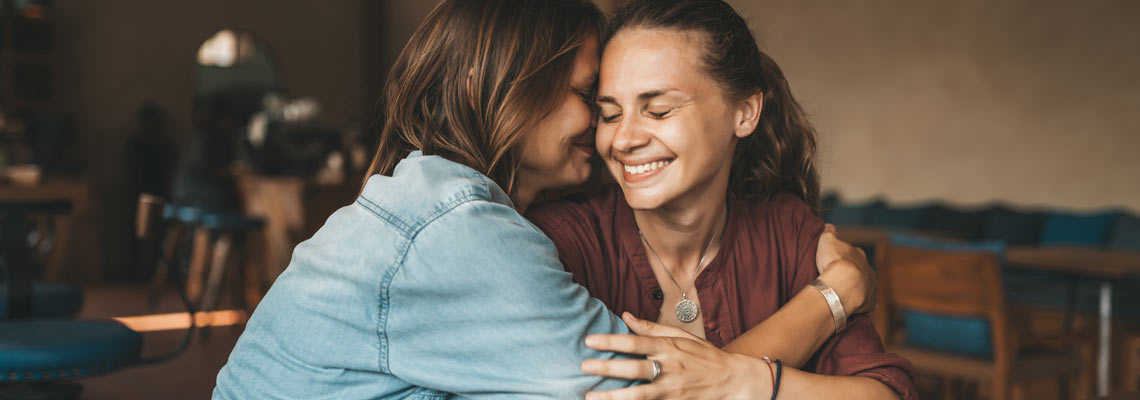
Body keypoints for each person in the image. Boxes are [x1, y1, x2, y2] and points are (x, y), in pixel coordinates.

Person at [214, 0, 877, 398]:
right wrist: (834, 296)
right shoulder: (464, 232)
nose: (603, 129)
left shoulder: (442, 198)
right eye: (591, 98)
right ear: (490, 84)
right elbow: (667, 389)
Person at [526, 1, 916, 399]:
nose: (624, 140)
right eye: (609, 115)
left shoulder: (787, 229)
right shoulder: (555, 242)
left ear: (744, 112)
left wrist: (747, 381)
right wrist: (834, 295)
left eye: (658, 111)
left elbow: (885, 393)